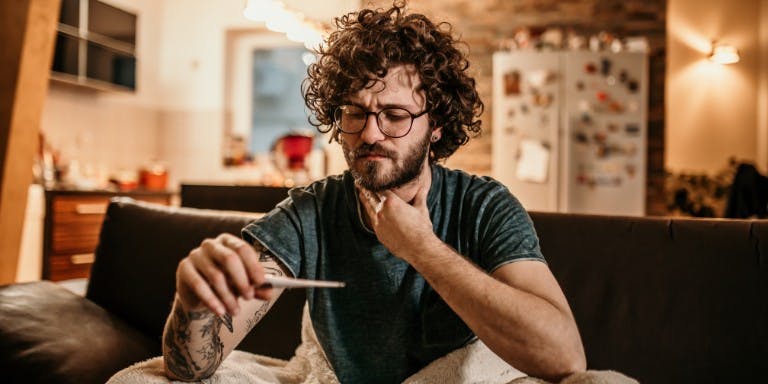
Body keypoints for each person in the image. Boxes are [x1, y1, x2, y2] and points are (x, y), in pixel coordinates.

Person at [161, 3, 586, 383]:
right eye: (354, 113)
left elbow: (565, 358)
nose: (369, 133)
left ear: (435, 124)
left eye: (395, 115)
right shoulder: (312, 211)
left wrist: (421, 248)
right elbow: (191, 368)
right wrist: (192, 303)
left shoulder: (483, 206)